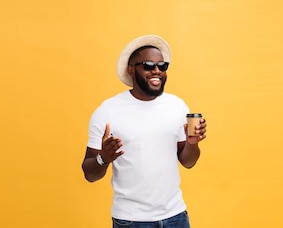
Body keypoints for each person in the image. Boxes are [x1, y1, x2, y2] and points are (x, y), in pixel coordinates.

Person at [81, 35, 207, 228]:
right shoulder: (108, 111)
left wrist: (192, 143)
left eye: (162, 66)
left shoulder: (177, 106)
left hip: (176, 217)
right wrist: (104, 158)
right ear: (131, 70)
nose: (157, 71)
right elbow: (89, 173)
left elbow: (188, 162)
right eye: (148, 65)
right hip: (131, 221)